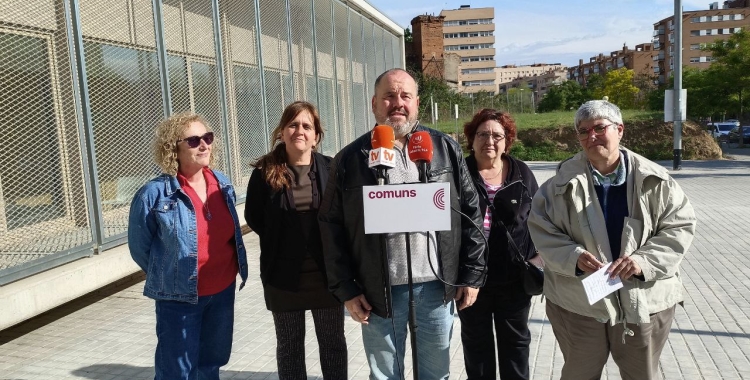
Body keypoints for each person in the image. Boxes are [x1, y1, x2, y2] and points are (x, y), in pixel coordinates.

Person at [318, 68, 486, 380]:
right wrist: (346, 288)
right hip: (377, 291)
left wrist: (472, 275)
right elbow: (331, 226)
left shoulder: (444, 149)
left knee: (436, 374)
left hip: (437, 287)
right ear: (374, 103)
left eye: (405, 96)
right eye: (389, 96)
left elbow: (471, 213)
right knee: (384, 376)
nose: (398, 103)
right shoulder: (350, 159)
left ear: (417, 103)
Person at [528, 100, 697, 380]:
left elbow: (679, 227)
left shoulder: (656, 180)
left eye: (599, 128)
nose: (591, 136)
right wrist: (573, 257)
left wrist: (642, 261)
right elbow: (541, 229)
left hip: (643, 302)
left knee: (641, 374)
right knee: (579, 374)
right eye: (583, 131)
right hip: (578, 303)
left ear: (620, 130)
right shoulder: (558, 185)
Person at [128, 112, 248, 380]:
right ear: (174, 148)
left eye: (207, 138)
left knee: (210, 364)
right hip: (179, 298)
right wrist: (170, 275)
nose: (204, 145)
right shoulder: (154, 194)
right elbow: (140, 247)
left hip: (222, 292)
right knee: (177, 372)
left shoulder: (222, 183)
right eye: (194, 141)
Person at [244, 101, 347, 379]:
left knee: (333, 345)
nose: (299, 130)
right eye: (293, 124)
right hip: (283, 277)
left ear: (316, 136)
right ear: (282, 132)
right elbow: (255, 218)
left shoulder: (332, 169)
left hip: (327, 277)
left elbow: (342, 217)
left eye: (306, 126)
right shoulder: (264, 174)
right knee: (289, 347)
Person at [458, 109, 540, 380]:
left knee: (516, 345)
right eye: (482, 134)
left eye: (497, 135)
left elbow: (541, 219)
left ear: (507, 142)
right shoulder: (459, 173)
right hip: (471, 280)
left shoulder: (521, 173)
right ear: (471, 139)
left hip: (514, 279)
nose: (489, 141)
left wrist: (538, 259)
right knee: (476, 346)